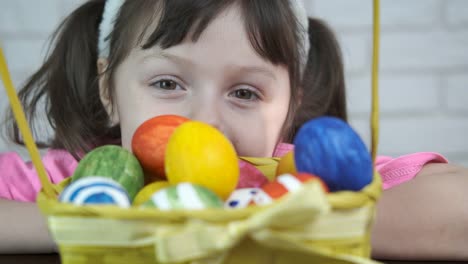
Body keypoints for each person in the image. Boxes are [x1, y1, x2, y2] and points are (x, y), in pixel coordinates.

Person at [1, 0, 467, 259]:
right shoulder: (77, 179)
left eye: (245, 92)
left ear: (290, 105)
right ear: (109, 90)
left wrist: (282, 222)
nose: (206, 122)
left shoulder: (300, 179)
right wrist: (93, 222)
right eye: (167, 83)